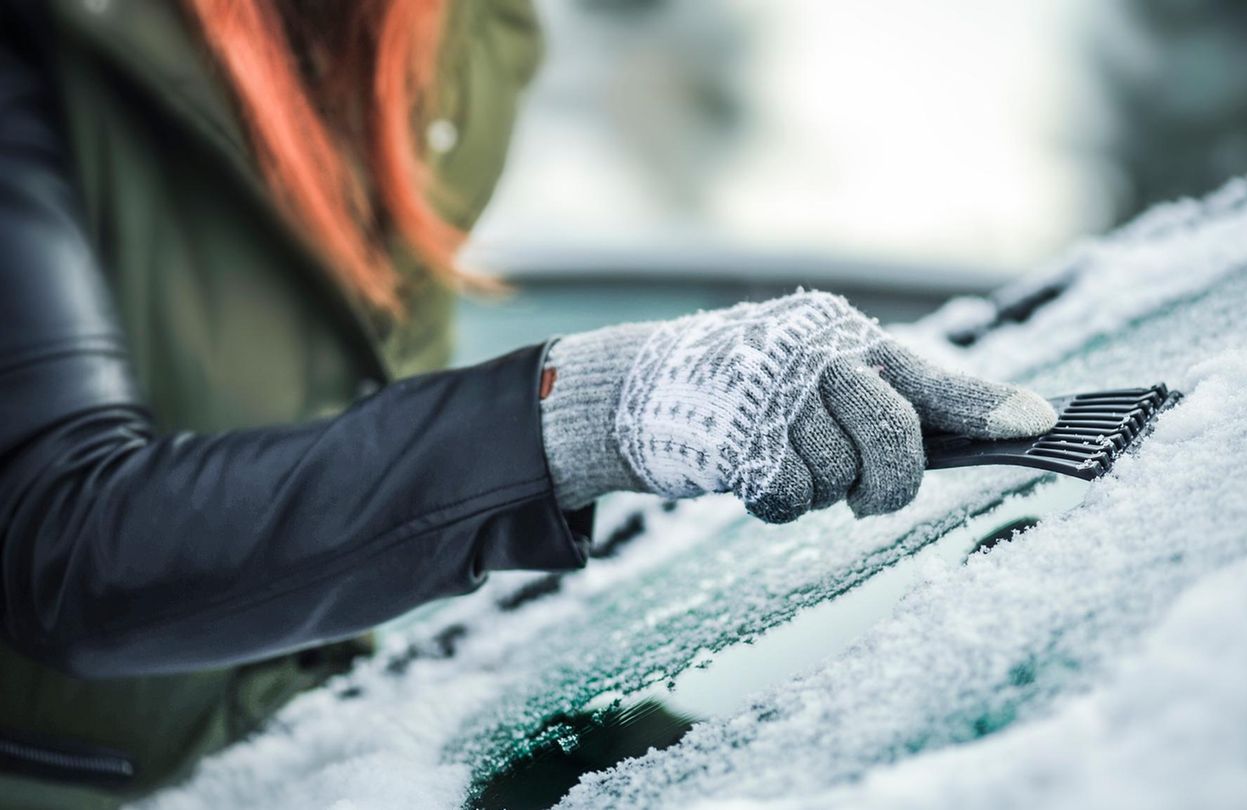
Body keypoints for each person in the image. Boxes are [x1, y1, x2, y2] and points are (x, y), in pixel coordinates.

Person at [0, 0, 1056, 805]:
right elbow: (62, 544)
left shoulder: (459, 44)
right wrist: (592, 409)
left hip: (328, 763)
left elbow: (360, 459)